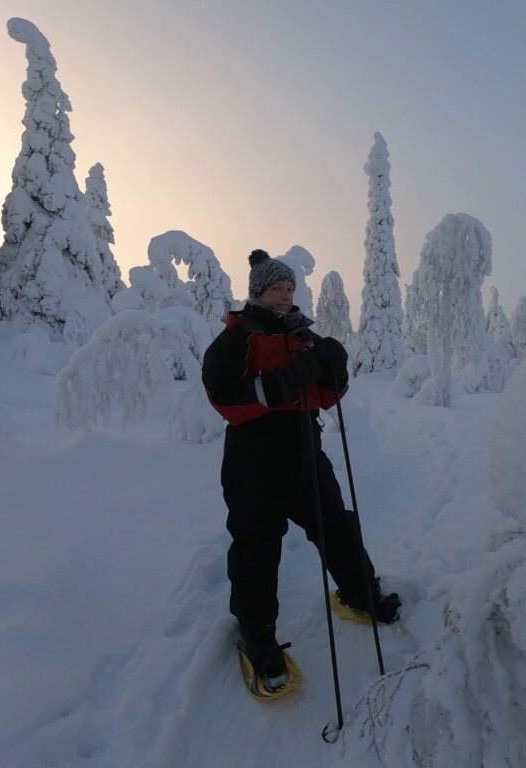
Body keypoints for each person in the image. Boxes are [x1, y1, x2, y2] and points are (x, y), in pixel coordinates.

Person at [202, 249, 400, 683]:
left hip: (305, 452)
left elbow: (327, 398)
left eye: (289, 288)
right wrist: (284, 381)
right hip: (253, 462)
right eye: (277, 288)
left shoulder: (302, 336)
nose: (285, 296)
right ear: (259, 292)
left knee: (337, 526)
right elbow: (225, 397)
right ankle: (256, 633)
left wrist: (334, 370)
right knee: (257, 547)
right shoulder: (236, 338)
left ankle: (358, 592)